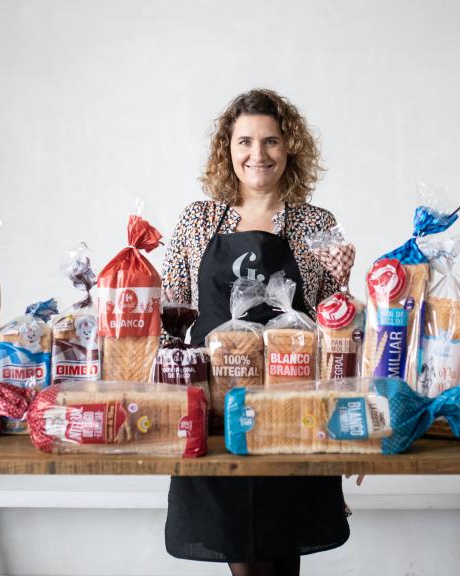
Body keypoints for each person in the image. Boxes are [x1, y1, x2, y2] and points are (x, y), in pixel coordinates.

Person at [161, 88, 346, 576]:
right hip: (219, 419)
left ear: (290, 149)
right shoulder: (198, 221)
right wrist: (166, 407)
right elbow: (170, 320)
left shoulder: (316, 225)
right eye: (244, 141)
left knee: (284, 560)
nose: (257, 154)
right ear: (228, 148)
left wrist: (345, 280)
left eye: (270, 141)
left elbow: (336, 332)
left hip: (294, 418)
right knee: (242, 559)